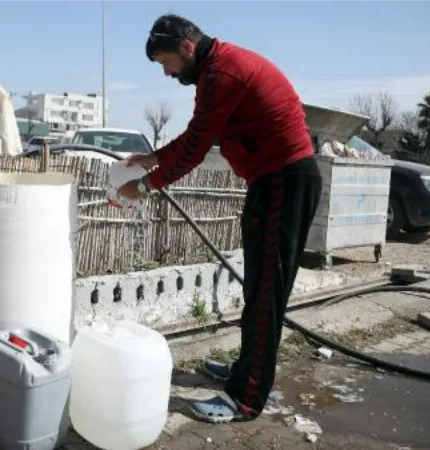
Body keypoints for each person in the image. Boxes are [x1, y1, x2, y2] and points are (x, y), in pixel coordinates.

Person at [117, 14, 323, 423]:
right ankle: (247, 372)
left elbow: (195, 148)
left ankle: (245, 399)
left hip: (285, 180)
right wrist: (154, 157)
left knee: (266, 294)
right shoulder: (216, 69)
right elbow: (199, 134)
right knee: (260, 289)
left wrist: (143, 185)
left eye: (167, 62)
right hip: (275, 181)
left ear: (187, 48)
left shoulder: (222, 74)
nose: (167, 72)